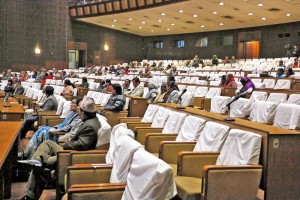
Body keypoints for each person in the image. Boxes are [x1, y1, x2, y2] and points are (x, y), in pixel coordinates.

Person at [18, 97, 100, 200]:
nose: (79, 113)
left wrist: (67, 143)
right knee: (47, 143)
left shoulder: (90, 126)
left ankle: (29, 195)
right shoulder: (91, 121)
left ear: (84, 112)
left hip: (74, 155)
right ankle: (37, 160)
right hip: (72, 150)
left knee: (40, 168)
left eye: (80, 111)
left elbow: (81, 145)